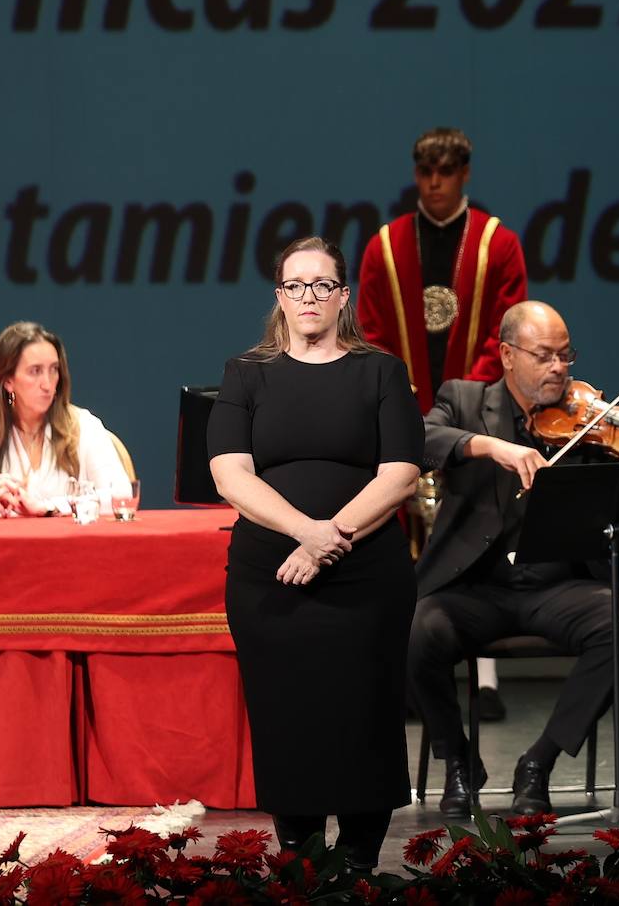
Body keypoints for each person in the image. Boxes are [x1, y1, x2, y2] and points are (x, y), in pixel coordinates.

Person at [408, 300, 619, 817]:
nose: (559, 368)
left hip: (558, 589)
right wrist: (492, 447)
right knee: (414, 630)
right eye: (545, 356)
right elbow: (419, 439)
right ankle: (458, 762)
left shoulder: (591, 419)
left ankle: (539, 760)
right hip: (475, 589)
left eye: (565, 355)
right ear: (508, 355)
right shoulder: (464, 399)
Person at [208, 236, 423, 871]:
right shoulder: (245, 373)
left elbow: (401, 474)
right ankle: (299, 862)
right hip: (271, 577)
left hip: (367, 577)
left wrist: (329, 541)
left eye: (322, 285)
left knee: (365, 713)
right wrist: (307, 531)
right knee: (287, 715)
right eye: (296, 285)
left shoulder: (381, 372)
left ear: (342, 296)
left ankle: (358, 862)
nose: (309, 296)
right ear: (279, 296)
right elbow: (230, 474)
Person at [358, 126, 528, 721]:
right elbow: (372, 332)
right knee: (402, 542)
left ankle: (485, 681)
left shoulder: (498, 243)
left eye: (446, 171)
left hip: (479, 414)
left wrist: (465, 403)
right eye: (426, 172)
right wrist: (403, 404)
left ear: (464, 173)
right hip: (403, 413)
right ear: (416, 174)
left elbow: (505, 332)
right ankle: (408, 676)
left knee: (479, 535)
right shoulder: (384, 246)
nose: (435, 183)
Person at [0, 321, 130, 517]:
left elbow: (121, 495)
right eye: (35, 371)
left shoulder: (84, 426)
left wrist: (49, 507)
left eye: (53, 370)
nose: (47, 384)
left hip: (66, 539)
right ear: (8, 381)